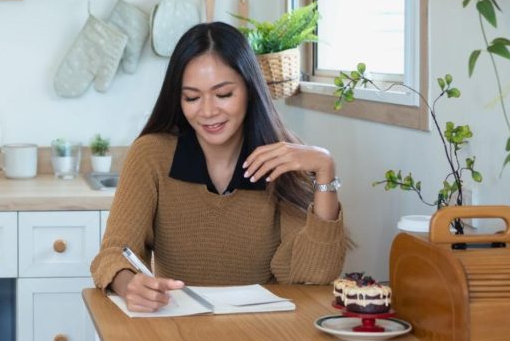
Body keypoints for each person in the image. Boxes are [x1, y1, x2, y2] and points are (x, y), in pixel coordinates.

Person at [89, 22, 347, 313]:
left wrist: (326, 169)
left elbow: (313, 278)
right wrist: (129, 284)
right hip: (178, 325)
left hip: (263, 328)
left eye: (223, 94)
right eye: (192, 97)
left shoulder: (282, 159)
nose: (208, 111)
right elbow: (112, 255)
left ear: (250, 90)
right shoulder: (151, 154)